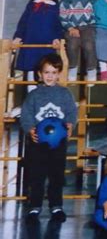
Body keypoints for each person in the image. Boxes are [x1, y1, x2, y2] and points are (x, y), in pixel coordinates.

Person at [20, 53, 77, 223]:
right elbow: (26, 115)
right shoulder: (34, 95)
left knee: (56, 175)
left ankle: (56, 206)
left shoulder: (65, 94)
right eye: (46, 72)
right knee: (37, 175)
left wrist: (70, 125)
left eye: (53, 72)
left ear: (59, 73)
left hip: (58, 144)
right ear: (39, 74)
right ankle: (35, 207)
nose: (50, 76)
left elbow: (72, 113)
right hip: (38, 144)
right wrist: (30, 130)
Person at [13, 0, 63, 93]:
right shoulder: (31, 5)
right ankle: (31, 97)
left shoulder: (56, 7)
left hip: (46, 47)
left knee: (46, 71)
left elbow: (58, 26)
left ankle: (44, 98)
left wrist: (57, 38)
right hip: (31, 45)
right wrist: (18, 37)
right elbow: (23, 23)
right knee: (31, 72)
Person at [59, 0, 98, 82]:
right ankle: (72, 68)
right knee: (72, 44)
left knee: (89, 44)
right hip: (71, 27)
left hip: (88, 27)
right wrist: (70, 27)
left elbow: (96, 15)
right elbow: (62, 14)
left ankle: (91, 70)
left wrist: (90, 26)